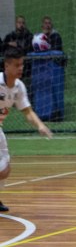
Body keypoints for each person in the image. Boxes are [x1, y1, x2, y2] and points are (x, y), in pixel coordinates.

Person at [0, 46, 53, 212]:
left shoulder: (19, 87)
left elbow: (27, 111)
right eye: (16, 65)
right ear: (6, 66)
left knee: (5, 168)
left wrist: (40, 125)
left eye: (22, 64)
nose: (20, 68)